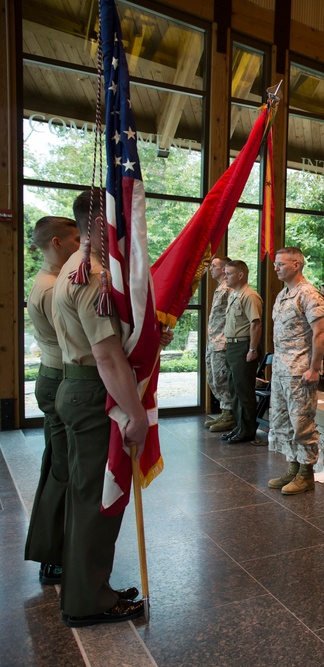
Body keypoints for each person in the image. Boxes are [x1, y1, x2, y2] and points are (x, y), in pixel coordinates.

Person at [51, 190, 167, 626]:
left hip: (77, 387)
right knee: (98, 503)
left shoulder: (73, 266)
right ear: (102, 222)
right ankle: (88, 601)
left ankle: (89, 586)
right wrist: (136, 413)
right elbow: (106, 356)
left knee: (85, 497)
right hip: (93, 394)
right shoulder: (92, 276)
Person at [24, 215, 79, 587]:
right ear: (57, 243)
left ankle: (54, 551)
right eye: (76, 239)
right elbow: (78, 340)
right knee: (63, 471)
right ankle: (53, 556)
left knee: (59, 466)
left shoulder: (49, 280)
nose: (82, 245)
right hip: (60, 377)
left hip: (52, 375)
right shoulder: (51, 288)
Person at [265, 248, 324, 495]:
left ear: (297, 264)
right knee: (283, 423)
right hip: (281, 370)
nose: (276, 268)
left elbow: (320, 333)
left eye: (280, 264)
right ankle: (293, 467)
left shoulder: (309, 294)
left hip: (300, 372)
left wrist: (314, 368)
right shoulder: (284, 294)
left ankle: (306, 474)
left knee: (302, 424)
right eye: (275, 264)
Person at [222, 259, 262, 444]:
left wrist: (252, 349)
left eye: (228, 273)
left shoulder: (249, 295)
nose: (225, 276)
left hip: (243, 346)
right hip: (232, 345)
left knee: (244, 390)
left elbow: (255, 324)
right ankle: (239, 426)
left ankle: (247, 430)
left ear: (240, 275)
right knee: (235, 389)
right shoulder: (234, 295)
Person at [204, 256, 234, 433]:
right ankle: (225, 411)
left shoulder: (229, 289)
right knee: (214, 378)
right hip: (214, 341)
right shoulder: (219, 288)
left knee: (222, 378)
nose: (210, 269)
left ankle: (230, 414)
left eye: (214, 266)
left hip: (222, 342)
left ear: (224, 269)